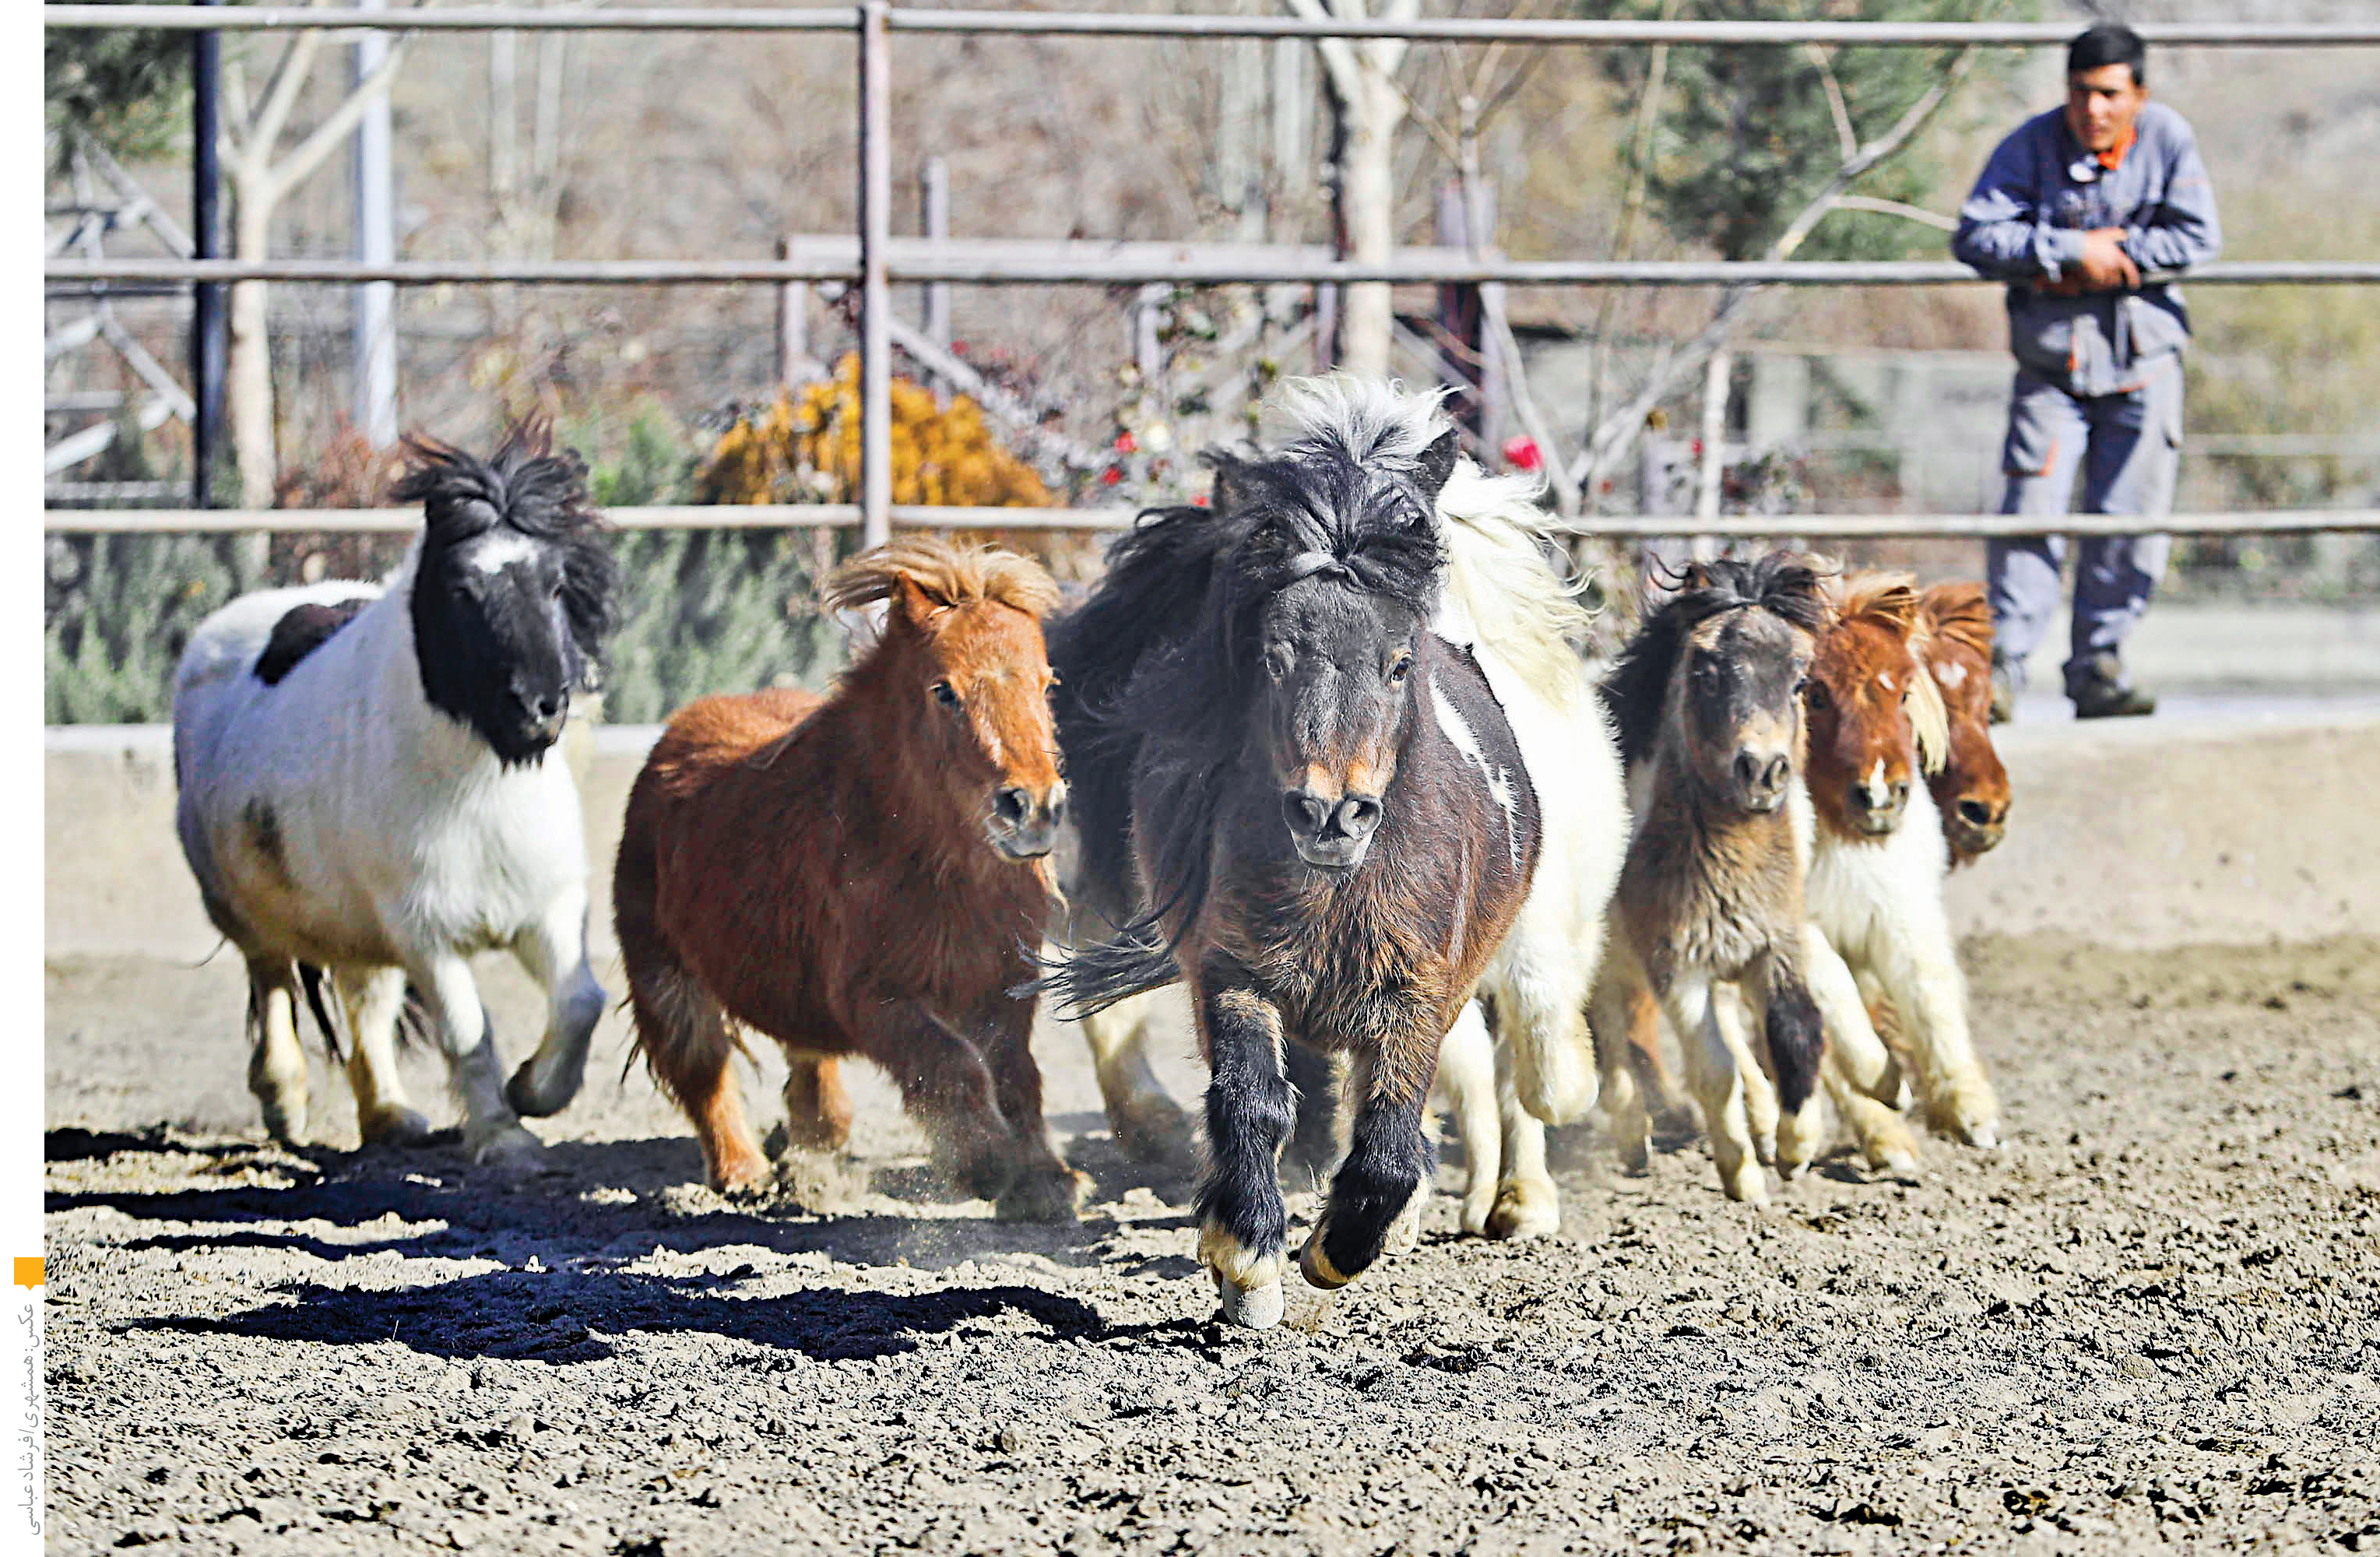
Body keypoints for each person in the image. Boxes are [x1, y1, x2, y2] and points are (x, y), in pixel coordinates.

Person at [1952, 23, 2220, 721]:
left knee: (2127, 522)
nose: (2092, 110)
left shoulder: (2167, 139)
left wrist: (2118, 253)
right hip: (2051, 372)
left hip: (2143, 367)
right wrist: (2069, 250)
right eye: (2079, 93)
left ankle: (2098, 665)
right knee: (2028, 516)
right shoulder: (2030, 144)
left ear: (2137, 94)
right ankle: (2004, 669)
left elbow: (2197, 235)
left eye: (2107, 94)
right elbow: (1976, 234)